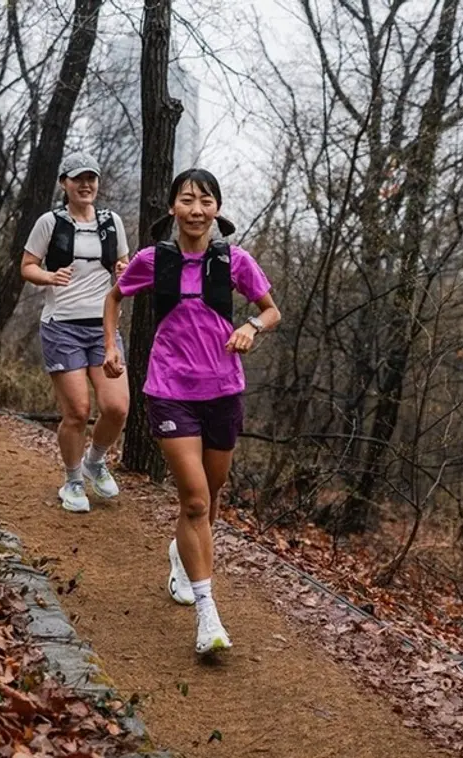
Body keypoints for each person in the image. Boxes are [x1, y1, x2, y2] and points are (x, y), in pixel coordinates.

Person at [102, 168, 281, 654]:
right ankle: (208, 616)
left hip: (223, 391)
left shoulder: (235, 261)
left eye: (205, 201)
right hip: (169, 390)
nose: (196, 210)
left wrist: (251, 327)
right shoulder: (151, 260)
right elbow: (115, 297)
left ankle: (183, 553)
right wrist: (112, 347)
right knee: (197, 499)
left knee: (210, 495)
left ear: (217, 210)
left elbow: (271, 310)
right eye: (186, 200)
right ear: (173, 208)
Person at [21, 152, 130, 514]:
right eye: (78, 178)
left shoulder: (111, 221)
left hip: (103, 328)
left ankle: (94, 462)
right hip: (62, 325)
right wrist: (49, 277)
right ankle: (71, 481)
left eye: (91, 178)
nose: (86, 185)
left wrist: (121, 268)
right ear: (64, 183)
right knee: (78, 412)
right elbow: (27, 267)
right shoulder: (49, 223)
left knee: (116, 408)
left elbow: (124, 266)